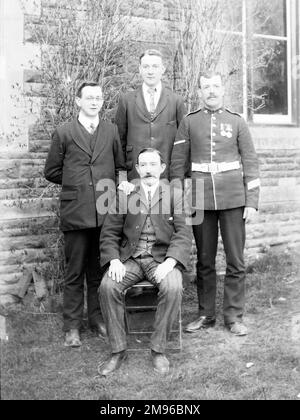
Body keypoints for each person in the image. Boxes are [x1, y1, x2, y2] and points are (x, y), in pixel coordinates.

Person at [170, 72, 260, 336]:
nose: (211, 91)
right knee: (205, 260)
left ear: (223, 89)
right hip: (200, 198)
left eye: (216, 86)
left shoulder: (236, 121)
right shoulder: (189, 122)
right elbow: (177, 164)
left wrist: (252, 202)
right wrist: (177, 199)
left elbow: (251, 162)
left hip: (234, 198)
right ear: (200, 91)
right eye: (206, 86)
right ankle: (206, 314)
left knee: (235, 259)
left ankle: (233, 316)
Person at [44, 81, 126, 347]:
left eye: (98, 98)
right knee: (75, 271)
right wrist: (77, 185)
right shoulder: (64, 132)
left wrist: (117, 187)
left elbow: (120, 167)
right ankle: (72, 326)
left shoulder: (111, 130)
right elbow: (51, 171)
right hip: (76, 211)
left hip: (104, 211)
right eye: (89, 97)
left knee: (98, 270)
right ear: (78, 101)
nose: (94, 102)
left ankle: (97, 319)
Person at [98, 148, 192, 375]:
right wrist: (113, 261)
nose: (148, 169)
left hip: (161, 258)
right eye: (144, 165)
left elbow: (184, 233)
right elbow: (109, 233)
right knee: (107, 286)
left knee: (173, 287)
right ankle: (118, 350)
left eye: (153, 164)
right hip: (131, 258)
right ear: (138, 169)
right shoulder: (125, 194)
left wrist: (170, 263)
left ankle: (158, 350)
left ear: (162, 168)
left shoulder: (175, 194)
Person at [115, 49, 186, 182]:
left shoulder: (176, 101)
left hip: (166, 175)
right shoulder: (126, 100)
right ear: (140, 69)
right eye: (146, 66)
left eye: (155, 66)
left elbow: (183, 144)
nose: (150, 71)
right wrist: (122, 179)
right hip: (135, 174)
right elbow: (120, 143)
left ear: (163, 69)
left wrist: (179, 177)